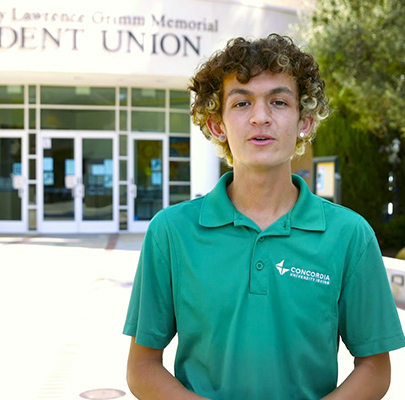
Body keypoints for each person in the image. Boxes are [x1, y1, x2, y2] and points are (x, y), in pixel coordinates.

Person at [123, 33, 405, 400]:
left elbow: (374, 367)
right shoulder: (171, 231)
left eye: (278, 102)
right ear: (217, 126)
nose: (260, 117)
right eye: (241, 103)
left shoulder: (350, 235)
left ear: (304, 121)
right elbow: (141, 367)